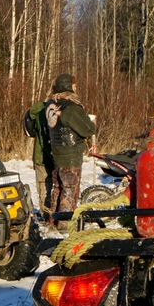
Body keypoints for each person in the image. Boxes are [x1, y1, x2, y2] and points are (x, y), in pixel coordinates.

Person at [42, 73, 97, 226]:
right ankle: (65, 223)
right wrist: (90, 121)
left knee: (58, 189)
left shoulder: (50, 105)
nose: (76, 87)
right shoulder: (72, 108)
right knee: (70, 190)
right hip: (71, 154)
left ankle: (52, 221)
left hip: (56, 153)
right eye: (74, 85)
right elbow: (88, 129)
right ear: (68, 87)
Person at [24, 97, 56, 211]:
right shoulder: (49, 113)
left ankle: (46, 211)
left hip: (40, 155)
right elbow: (45, 138)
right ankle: (48, 213)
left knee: (43, 186)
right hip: (46, 156)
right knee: (46, 186)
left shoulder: (40, 109)